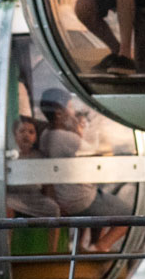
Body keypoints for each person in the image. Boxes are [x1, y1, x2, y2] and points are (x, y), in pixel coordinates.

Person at [37, 89, 133, 252]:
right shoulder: (65, 137)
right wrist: (96, 133)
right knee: (128, 215)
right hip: (78, 198)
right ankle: (101, 246)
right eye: (70, 107)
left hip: (61, 195)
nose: (73, 111)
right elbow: (97, 150)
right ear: (60, 113)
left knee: (103, 208)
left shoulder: (46, 135)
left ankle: (91, 247)